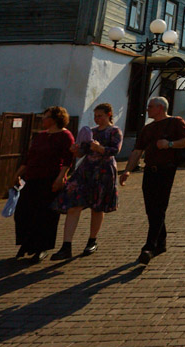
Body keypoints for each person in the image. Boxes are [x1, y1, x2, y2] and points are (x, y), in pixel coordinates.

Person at [119, 96, 185, 265]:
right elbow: (137, 151)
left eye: (150, 107)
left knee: (159, 207)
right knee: (151, 208)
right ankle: (161, 243)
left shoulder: (175, 122)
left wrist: (170, 144)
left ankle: (149, 246)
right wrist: (127, 171)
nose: (147, 110)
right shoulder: (147, 129)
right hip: (149, 171)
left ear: (160, 108)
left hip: (166, 169)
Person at [49, 102, 122, 260]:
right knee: (74, 205)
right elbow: (81, 153)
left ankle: (92, 240)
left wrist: (100, 148)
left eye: (100, 116)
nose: (97, 119)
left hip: (104, 172)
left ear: (109, 115)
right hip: (86, 171)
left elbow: (115, 150)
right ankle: (66, 246)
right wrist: (76, 151)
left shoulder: (114, 131)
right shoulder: (90, 132)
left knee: (97, 207)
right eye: (95, 116)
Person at [13, 106, 75, 263]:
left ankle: (42, 248)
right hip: (33, 178)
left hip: (50, 179)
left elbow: (68, 159)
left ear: (54, 119)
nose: (42, 119)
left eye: (45, 116)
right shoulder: (40, 136)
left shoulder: (65, 135)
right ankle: (28, 243)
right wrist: (18, 174)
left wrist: (61, 177)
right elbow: (29, 157)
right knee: (23, 211)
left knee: (45, 215)